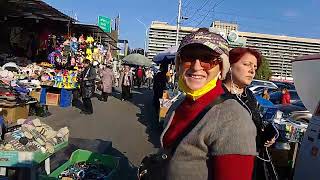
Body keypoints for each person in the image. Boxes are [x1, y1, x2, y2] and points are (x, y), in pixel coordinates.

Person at [156, 28, 257, 180]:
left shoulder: (234, 118)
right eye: (188, 57)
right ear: (179, 64)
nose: (196, 66)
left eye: (208, 59)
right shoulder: (180, 103)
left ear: (222, 67)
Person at [222, 47, 276, 180]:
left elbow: (254, 124)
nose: (252, 70)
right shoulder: (218, 96)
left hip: (253, 163)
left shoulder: (249, 95)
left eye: (255, 67)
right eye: (246, 64)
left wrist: (264, 137)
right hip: (226, 165)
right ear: (230, 65)